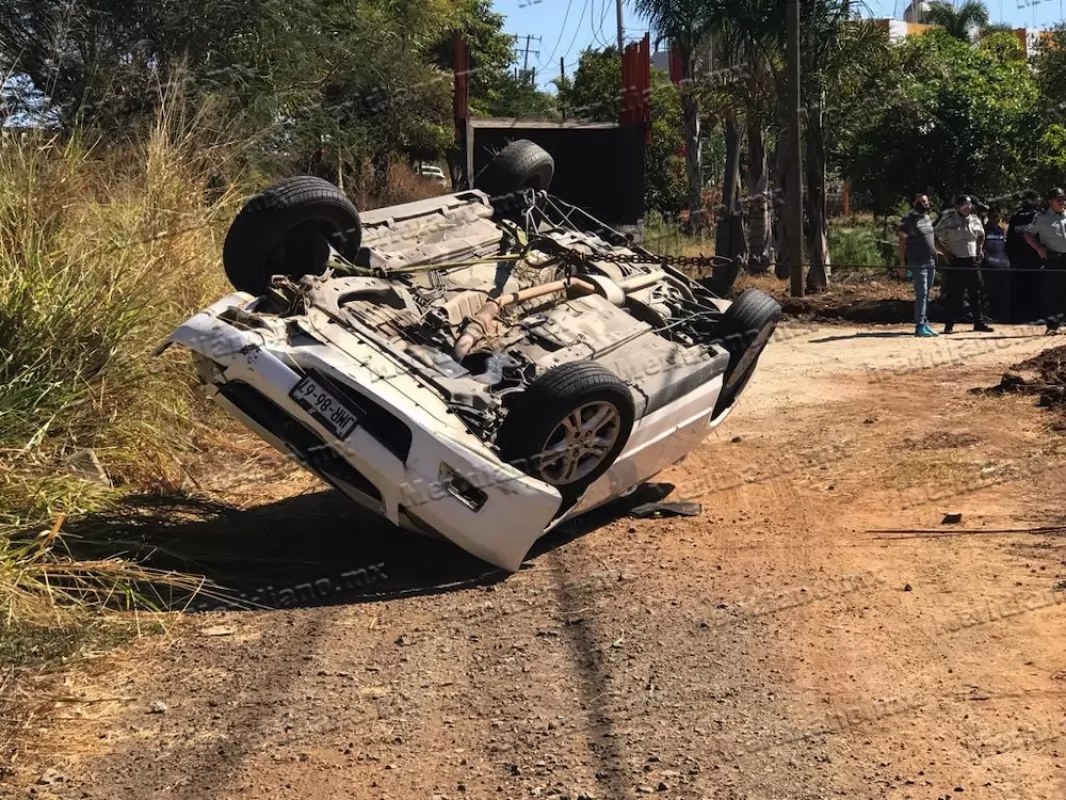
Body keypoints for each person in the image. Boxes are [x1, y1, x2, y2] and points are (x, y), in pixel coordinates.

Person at [934, 194, 993, 334]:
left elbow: (981, 235)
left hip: (972, 260)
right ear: (957, 207)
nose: (968, 207)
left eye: (970, 204)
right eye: (965, 204)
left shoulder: (974, 220)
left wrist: (979, 249)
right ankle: (949, 324)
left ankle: (979, 322)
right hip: (957, 261)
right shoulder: (948, 221)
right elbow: (935, 236)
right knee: (954, 294)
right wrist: (945, 253)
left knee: (976, 293)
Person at [1023, 187, 1066, 334]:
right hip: (1053, 258)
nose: (1062, 202)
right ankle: (1052, 325)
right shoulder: (1042, 218)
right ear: (1050, 201)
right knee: (1051, 292)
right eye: (1058, 200)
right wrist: (1038, 247)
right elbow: (1027, 233)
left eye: (1063, 199)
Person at [897, 192, 939, 337]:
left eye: (926, 201)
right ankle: (919, 325)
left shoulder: (927, 218)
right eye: (921, 201)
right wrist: (902, 263)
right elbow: (901, 242)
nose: (924, 204)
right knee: (921, 293)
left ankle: (925, 323)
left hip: (930, 261)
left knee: (927, 293)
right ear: (915, 203)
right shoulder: (908, 220)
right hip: (917, 261)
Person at [1007, 190, 1043, 322]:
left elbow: (1009, 239)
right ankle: (1034, 316)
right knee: (1034, 287)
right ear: (1033, 200)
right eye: (1037, 199)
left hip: (1017, 259)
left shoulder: (1015, 217)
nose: (1039, 201)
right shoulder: (1037, 216)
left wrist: (1010, 257)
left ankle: (1016, 317)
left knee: (1018, 288)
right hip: (1034, 258)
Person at [982, 208, 1010, 320]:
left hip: (1001, 265)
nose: (996, 219)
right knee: (989, 291)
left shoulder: (1001, 230)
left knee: (1000, 291)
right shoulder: (984, 230)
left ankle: (1000, 314)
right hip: (988, 265)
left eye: (997, 216)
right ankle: (988, 314)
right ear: (988, 217)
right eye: (993, 216)